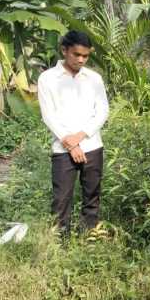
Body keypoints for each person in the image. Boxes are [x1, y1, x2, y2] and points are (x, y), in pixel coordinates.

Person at [38, 30, 109, 237]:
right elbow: (48, 115)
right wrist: (71, 145)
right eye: (76, 54)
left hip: (92, 146)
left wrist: (79, 137)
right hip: (62, 149)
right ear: (64, 50)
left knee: (92, 196)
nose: (81, 60)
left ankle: (90, 237)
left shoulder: (94, 78)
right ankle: (60, 243)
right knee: (61, 199)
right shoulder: (48, 79)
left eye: (85, 56)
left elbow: (103, 111)